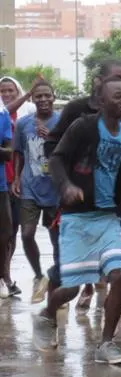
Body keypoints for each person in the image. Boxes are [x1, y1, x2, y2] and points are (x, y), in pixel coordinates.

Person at [34, 75, 121, 364]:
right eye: (118, 96)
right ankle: (47, 312)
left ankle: (106, 343)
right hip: (78, 219)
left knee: (119, 273)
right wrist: (66, 186)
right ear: (101, 102)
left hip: (109, 217)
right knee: (71, 289)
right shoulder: (84, 127)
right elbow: (56, 158)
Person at [45, 59, 121, 311]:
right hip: (78, 205)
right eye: (117, 79)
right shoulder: (77, 111)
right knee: (68, 277)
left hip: (116, 207)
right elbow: (53, 149)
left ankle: (119, 336)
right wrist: (70, 180)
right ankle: (52, 305)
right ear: (100, 84)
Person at [11, 81, 60, 304]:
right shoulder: (23, 124)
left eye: (46, 96)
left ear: (53, 96)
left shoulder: (63, 121)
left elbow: (69, 150)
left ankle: (57, 284)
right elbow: (18, 153)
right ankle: (38, 275)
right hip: (30, 185)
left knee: (57, 239)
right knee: (27, 234)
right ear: (32, 99)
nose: (42, 100)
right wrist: (16, 178)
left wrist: (51, 136)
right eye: (38, 96)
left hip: (55, 189)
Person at [0, 76, 37, 298]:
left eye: (10, 90)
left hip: (19, 181)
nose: (6, 94)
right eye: (2, 90)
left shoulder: (26, 116)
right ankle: (5, 277)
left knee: (10, 233)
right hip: (5, 180)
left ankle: (5, 274)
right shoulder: (3, 113)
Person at [0, 107, 17, 296]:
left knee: (5, 233)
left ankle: (1, 278)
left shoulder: (2, 114)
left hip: (0, 185)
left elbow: (8, 152)